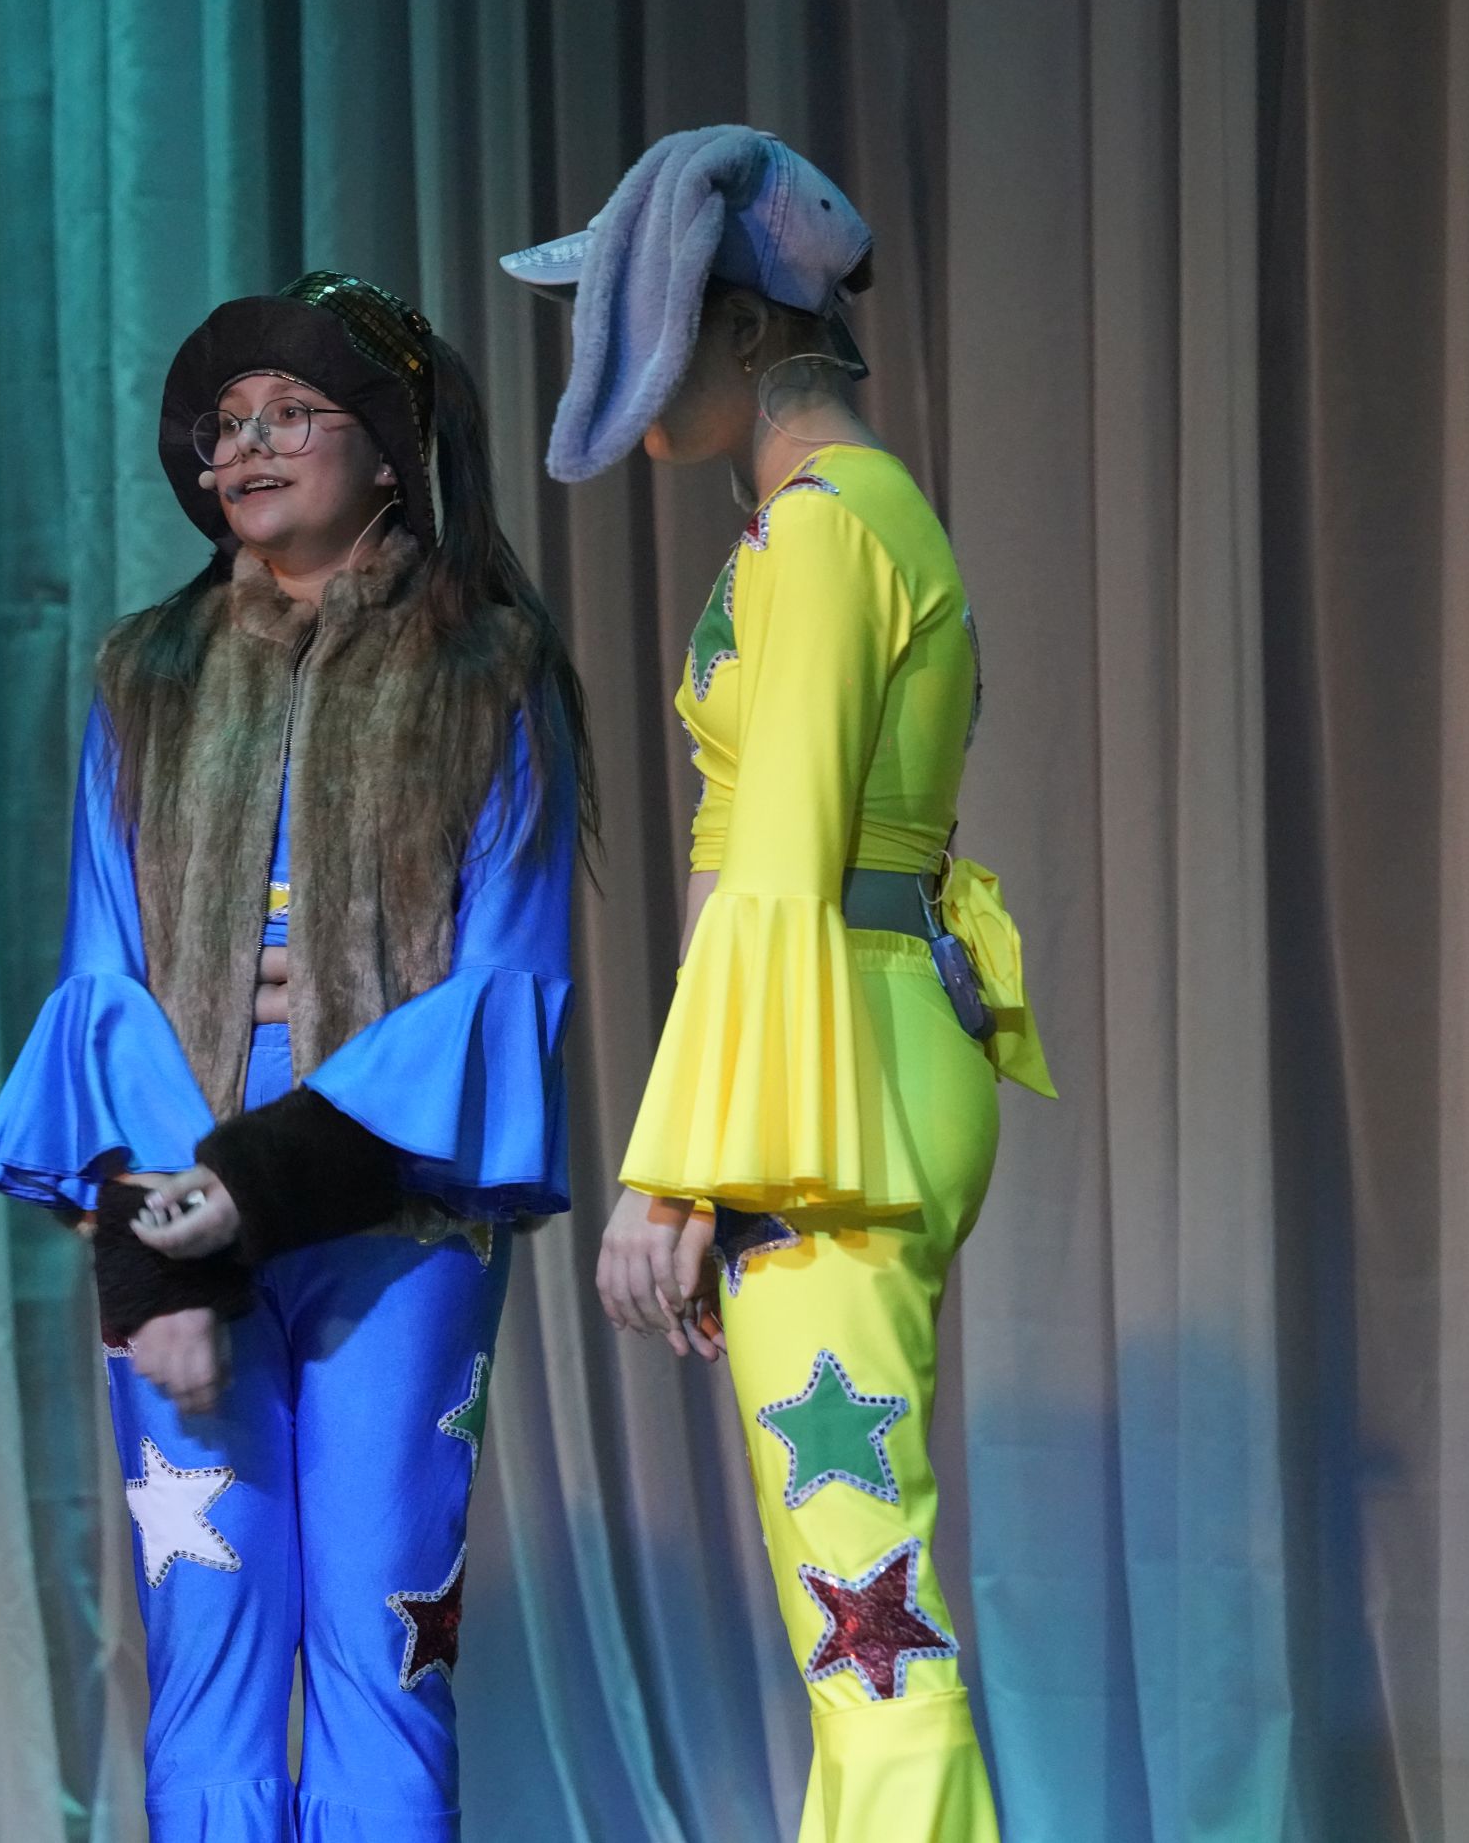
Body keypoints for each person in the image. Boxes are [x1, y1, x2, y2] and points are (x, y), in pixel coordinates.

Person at [0, 271, 593, 1842]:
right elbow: (104, 980)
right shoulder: (149, 673)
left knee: (385, 1648)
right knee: (210, 1650)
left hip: (395, 1222)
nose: (242, 447)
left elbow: (496, 988)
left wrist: (257, 1178)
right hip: (181, 1216)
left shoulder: (489, 670)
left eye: (289, 416)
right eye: (223, 424)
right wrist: (158, 1254)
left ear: (387, 447)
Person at [503, 127, 1055, 1842]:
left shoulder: (828, 535)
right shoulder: (821, 527)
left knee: (865, 1614)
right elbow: (754, 856)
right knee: (850, 1607)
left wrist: (678, 1168)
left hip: (836, 1074)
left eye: (647, 311)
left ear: (742, 327)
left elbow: (782, 859)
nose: (615, 355)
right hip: (845, 1051)